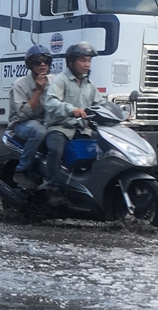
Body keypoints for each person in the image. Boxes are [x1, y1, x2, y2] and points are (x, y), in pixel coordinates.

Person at [43, 42, 104, 205]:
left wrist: (121, 113)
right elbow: (50, 102)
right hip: (60, 128)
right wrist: (71, 109)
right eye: (83, 60)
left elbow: (101, 103)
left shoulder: (89, 84)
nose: (87, 64)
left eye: (89, 61)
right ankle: (53, 188)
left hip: (81, 129)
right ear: (71, 62)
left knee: (105, 148)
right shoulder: (60, 80)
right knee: (56, 150)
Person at [8, 45, 53, 190]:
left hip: (46, 121)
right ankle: (22, 170)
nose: (42, 65)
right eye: (37, 62)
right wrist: (38, 91)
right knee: (39, 132)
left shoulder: (54, 81)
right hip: (21, 123)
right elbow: (23, 114)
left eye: (46, 61)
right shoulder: (20, 85)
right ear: (30, 64)